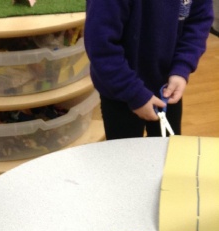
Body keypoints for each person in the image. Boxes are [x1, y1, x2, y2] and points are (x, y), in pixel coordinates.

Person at [84, 0, 214, 139]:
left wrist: (181, 68)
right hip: (119, 90)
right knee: (125, 150)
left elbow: (198, 22)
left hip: (167, 87)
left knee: (168, 148)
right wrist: (133, 93)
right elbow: (101, 46)